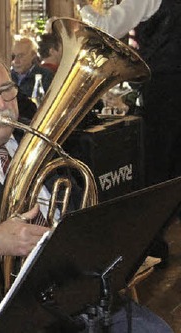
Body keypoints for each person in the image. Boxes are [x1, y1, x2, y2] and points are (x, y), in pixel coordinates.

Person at [0, 48, 173, 333]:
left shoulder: (34, 138)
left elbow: (79, 205)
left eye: (6, 90)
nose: (0, 105)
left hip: (66, 291)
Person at [75, 0, 181, 267]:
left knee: (156, 171)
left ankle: (150, 244)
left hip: (165, 90)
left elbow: (104, 28)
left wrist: (83, 5)